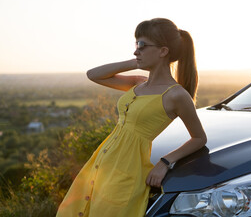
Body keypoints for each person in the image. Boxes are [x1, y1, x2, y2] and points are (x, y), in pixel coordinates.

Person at [56, 18, 207, 217]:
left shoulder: (176, 95)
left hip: (128, 171)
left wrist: (165, 162)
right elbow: (93, 74)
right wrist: (135, 62)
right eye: (136, 44)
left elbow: (199, 138)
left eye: (142, 45)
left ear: (163, 51)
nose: (136, 50)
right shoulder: (138, 83)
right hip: (102, 162)